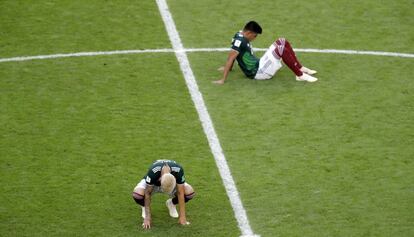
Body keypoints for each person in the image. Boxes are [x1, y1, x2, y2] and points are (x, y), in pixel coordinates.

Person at [214, 21, 318, 84]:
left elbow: (234, 54)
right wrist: (223, 79)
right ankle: (300, 75)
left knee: (282, 41)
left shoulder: (239, 35)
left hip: (260, 64)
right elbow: (231, 58)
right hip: (258, 73)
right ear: (249, 33)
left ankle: (300, 68)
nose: (255, 38)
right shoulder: (240, 41)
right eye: (255, 36)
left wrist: (230, 68)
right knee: (281, 49)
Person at [132, 159, 195, 229]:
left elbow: (181, 192)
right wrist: (147, 217)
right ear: (160, 179)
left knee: (189, 193)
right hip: (152, 184)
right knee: (138, 194)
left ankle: (171, 203)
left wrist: (183, 218)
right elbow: (147, 193)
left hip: (170, 182)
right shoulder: (153, 171)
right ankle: (143, 206)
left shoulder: (178, 170)